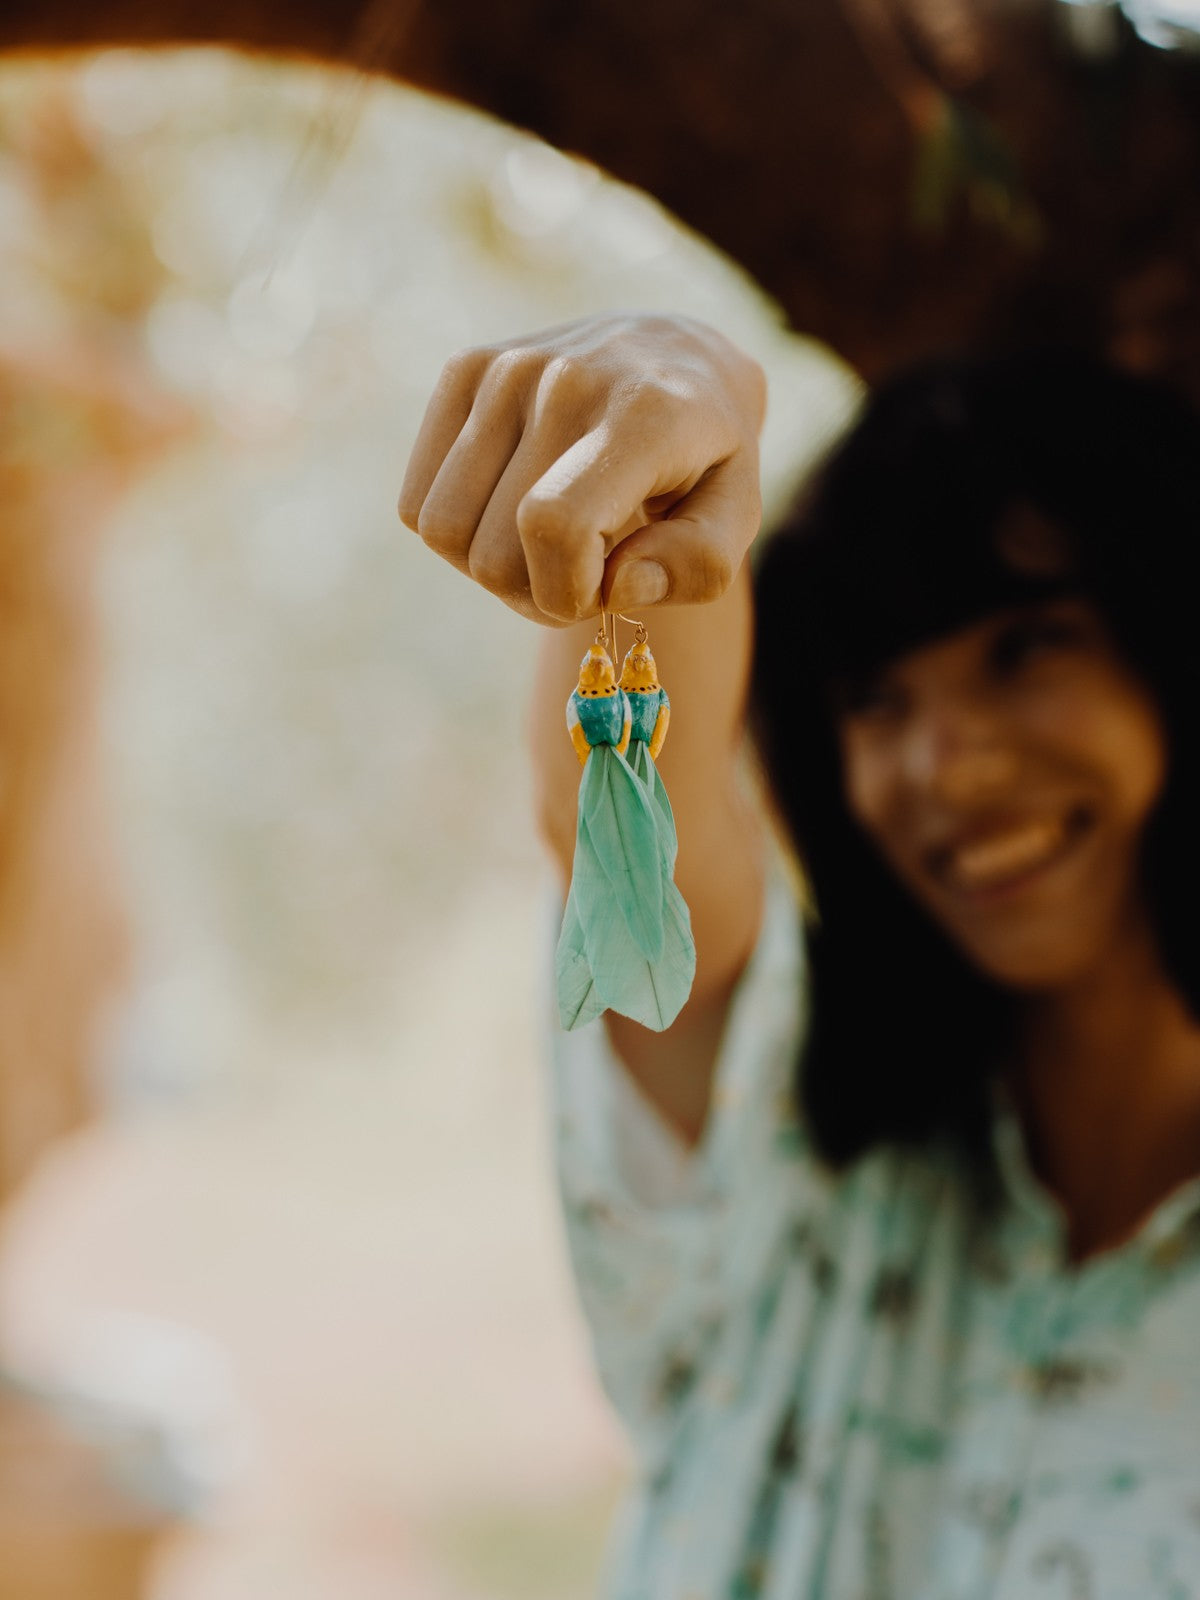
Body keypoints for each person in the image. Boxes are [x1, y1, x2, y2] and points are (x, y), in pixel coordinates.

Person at [399, 315, 1200, 1597]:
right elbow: (633, 842)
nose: (950, 765)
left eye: (1026, 648)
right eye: (877, 699)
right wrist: (678, 431)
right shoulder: (795, 1164)